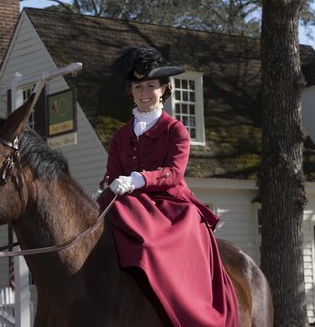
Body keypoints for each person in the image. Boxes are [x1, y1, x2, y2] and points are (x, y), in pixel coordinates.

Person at [99, 46, 239, 327]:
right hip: (128, 202)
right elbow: (112, 175)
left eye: (150, 85)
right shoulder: (120, 136)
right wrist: (104, 188)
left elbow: (174, 174)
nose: (144, 92)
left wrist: (139, 179)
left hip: (170, 205)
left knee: (149, 243)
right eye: (138, 86)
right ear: (130, 91)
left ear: (164, 89)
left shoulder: (176, 129)